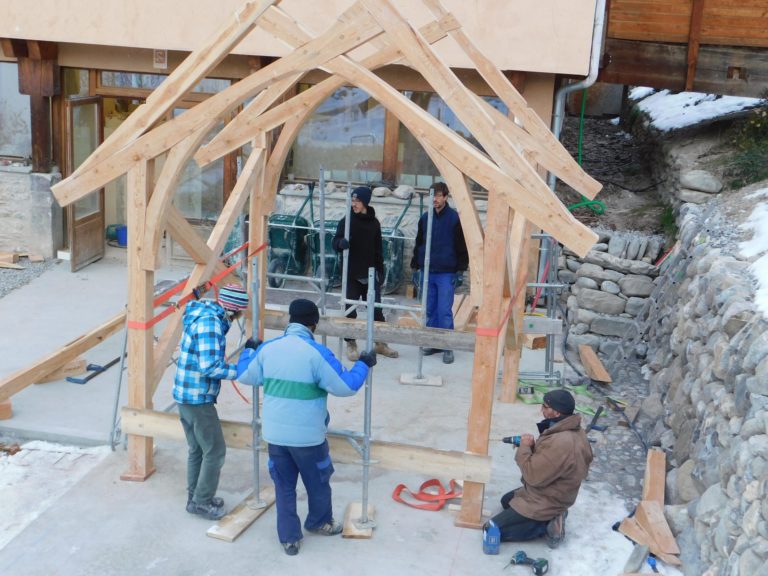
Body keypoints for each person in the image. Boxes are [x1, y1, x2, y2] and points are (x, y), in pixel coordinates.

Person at [237, 298, 377, 556]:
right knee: (318, 482)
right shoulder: (317, 354)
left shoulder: (268, 349)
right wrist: (364, 364)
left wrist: (249, 350)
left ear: (290, 321)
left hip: (275, 437)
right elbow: (345, 386)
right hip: (308, 438)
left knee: (284, 486)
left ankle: (289, 539)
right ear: (314, 324)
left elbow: (245, 375)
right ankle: (319, 522)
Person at [173, 283, 253, 521]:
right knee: (215, 451)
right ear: (234, 310)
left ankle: (196, 496)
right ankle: (201, 501)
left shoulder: (208, 316)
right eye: (240, 312)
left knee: (197, 448)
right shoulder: (211, 324)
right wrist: (240, 371)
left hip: (186, 395)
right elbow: (210, 367)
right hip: (197, 398)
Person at [489, 389, 592, 549]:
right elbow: (554, 460)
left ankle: (548, 522)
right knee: (506, 501)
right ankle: (551, 515)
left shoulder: (562, 442)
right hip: (552, 489)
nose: (541, 410)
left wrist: (524, 449)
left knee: (491, 530)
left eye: (545, 406)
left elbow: (532, 475)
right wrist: (533, 447)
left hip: (548, 499)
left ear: (556, 412)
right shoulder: (572, 429)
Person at [332, 185, 398, 361]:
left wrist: (380, 270)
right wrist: (341, 243)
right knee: (349, 309)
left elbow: (378, 250)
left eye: (358, 201)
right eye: (353, 200)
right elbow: (335, 241)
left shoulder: (374, 224)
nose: (354, 204)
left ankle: (380, 343)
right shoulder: (346, 222)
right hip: (352, 273)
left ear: (365, 202)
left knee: (376, 310)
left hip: (370, 274)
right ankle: (351, 343)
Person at [410, 182, 468, 364]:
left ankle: (447, 346)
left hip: (446, 272)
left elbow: (461, 246)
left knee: (444, 311)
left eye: (438, 196)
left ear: (445, 197)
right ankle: (433, 343)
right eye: (432, 196)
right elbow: (419, 242)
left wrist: (460, 270)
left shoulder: (454, 219)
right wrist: (415, 266)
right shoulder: (425, 218)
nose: (434, 199)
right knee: (430, 309)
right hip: (428, 271)